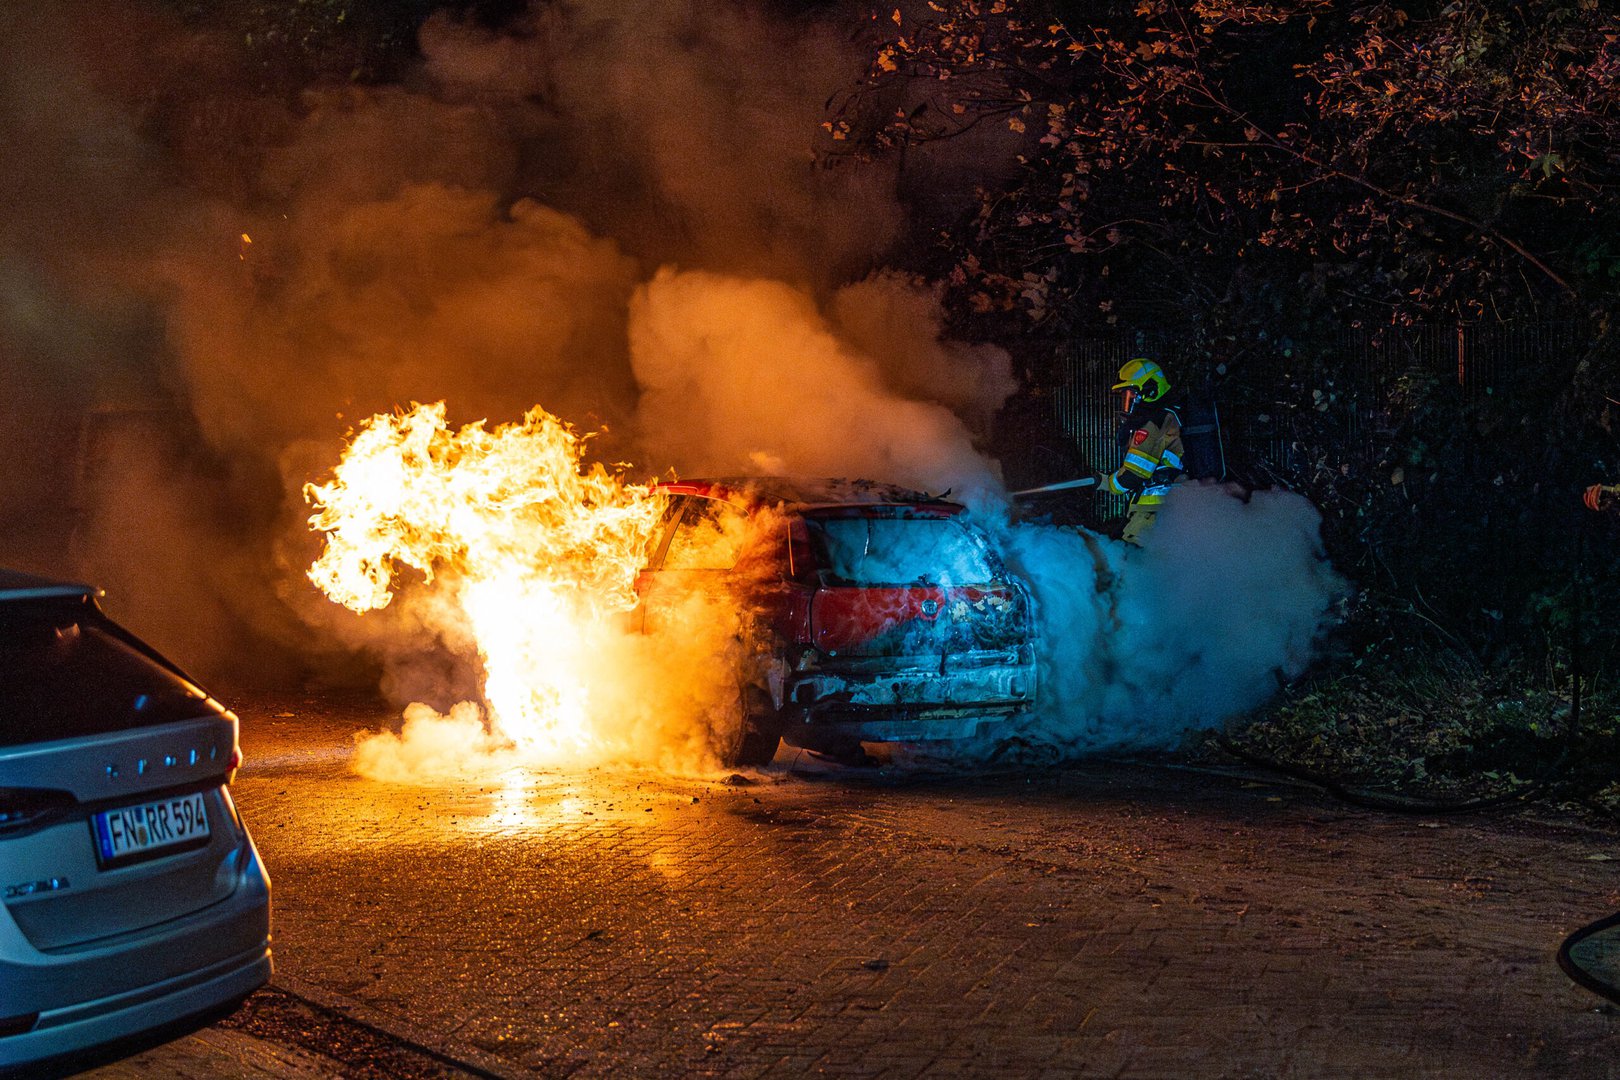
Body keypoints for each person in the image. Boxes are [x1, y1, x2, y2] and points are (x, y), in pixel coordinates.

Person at [1095, 358, 1188, 545]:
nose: (1128, 403)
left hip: (1153, 512)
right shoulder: (1169, 415)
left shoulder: (1154, 423)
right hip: (1168, 510)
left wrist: (1106, 482)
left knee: (1133, 563)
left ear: (1150, 390)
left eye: (1131, 395)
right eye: (1125, 397)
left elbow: (1133, 474)